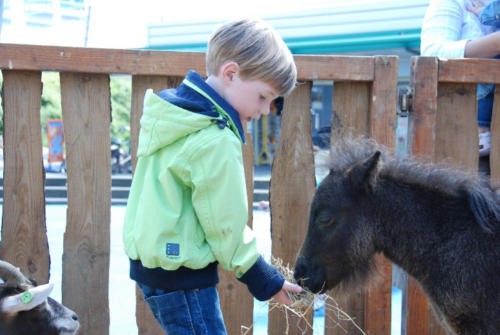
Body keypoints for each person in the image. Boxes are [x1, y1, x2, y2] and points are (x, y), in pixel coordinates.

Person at [123, 18, 302, 335]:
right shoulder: (215, 138)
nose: (265, 110)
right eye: (263, 97)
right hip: (183, 277)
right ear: (231, 74)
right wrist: (264, 278)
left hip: (154, 269)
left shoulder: (174, 118)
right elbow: (226, 225)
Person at [421, 0, 500, 157]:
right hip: (466, 133)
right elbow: (431, 52)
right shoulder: (453, 3)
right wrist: (493, 44)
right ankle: (482, 130)